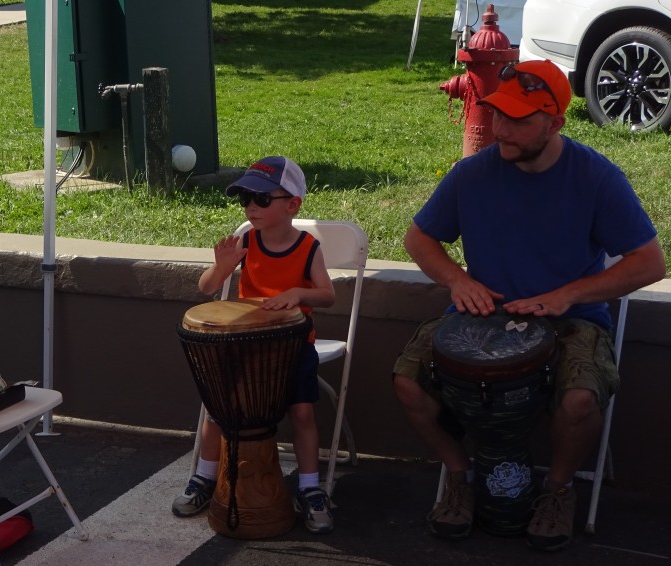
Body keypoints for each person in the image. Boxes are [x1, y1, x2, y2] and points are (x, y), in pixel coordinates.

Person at [392, 59, 666, 551]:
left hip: (571, 319)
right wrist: (457, 281)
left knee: (579, 399)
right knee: (407, 383)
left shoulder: (596, 178)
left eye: (518, 119)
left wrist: (569, 294)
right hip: (481, 316)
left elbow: (649, 263)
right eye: (498, 114)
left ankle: (557, 492)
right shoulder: (471, 175)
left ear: (554, 122)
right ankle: (459, 476)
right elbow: (419, 239)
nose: (501, 129)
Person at [172, 156, 336, 533]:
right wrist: (223, 266)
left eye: (262, 199)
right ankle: (205, 477)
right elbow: (206, 288)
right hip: (244, 346)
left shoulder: (307, 247)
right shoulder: (247, 240)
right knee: (218, 412)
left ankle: (310, 488)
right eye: (245, 197)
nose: (251, 206)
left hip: (294, 346)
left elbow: (327, 295)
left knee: (303, 415)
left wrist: (298, 292)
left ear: (292, 204)